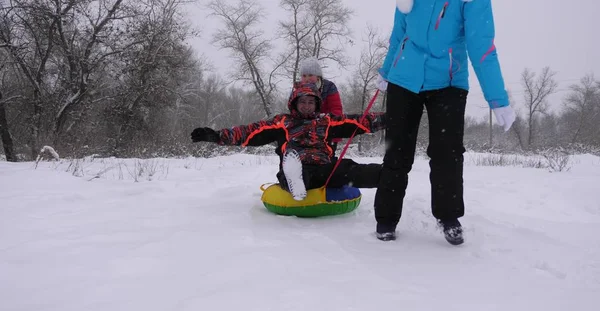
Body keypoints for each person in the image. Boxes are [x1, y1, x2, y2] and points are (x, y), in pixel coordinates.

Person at [374, 0, 516, 244]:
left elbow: (481, 46)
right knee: (396, 151)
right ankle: (386, 218)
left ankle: (449, 216)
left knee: (447, 152)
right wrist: (387, 71)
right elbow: (399, 33)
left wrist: (497, 98)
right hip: (404, 77)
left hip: (449, 81)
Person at [191, 83, 384, 200]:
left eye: (311, 102)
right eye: (302, 102)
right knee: (295, 171)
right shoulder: (283, 122)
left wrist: (388, 119)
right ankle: (295, 182)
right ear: (294, 104)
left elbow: (358, 121)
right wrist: (217, 136)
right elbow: (249, 132)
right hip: (298, 165)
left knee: (347, 168)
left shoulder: (326, 121)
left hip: (325, 168)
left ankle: (386, 175)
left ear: (316, 104)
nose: (307, 106)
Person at [293, 57, 344, 153]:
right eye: (304, 76)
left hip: (327, 130)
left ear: (318, 76)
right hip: (304, 131)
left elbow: (336, 109)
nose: (307, 79)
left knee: (326, 159)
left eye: (310, 75)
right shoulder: (298, 89)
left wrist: (323, 121)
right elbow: (293, 109)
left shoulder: (329, 87)